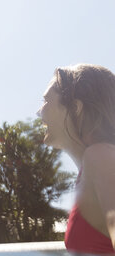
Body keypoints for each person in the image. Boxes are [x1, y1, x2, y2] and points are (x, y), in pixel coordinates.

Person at [38, 64, 115, 253]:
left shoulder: (100, 157)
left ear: (75, 107)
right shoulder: (93, 167)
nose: (39, 112)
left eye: (46, 101)